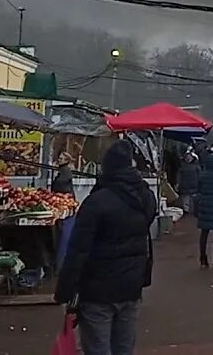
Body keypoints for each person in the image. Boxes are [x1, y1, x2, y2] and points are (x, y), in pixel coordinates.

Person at [55, 140, 158, 355]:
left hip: (97, 290)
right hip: (131, 285)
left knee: (97, 348)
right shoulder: (146, 197)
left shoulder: (96, 203)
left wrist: (64, 292)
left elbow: (78, 251)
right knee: (124, 348)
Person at [177, 149, 202, 214]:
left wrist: (200, 182)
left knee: (193, 198)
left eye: (189, 157)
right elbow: (179, 175)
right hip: (185, 184)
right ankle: (186, 209)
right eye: (186, 157)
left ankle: (193, 208)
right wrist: (178, 182)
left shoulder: (196, 166)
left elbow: (200, 175)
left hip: (194, 184)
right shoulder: (182, 166)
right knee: (185, 198)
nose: (188, 159)